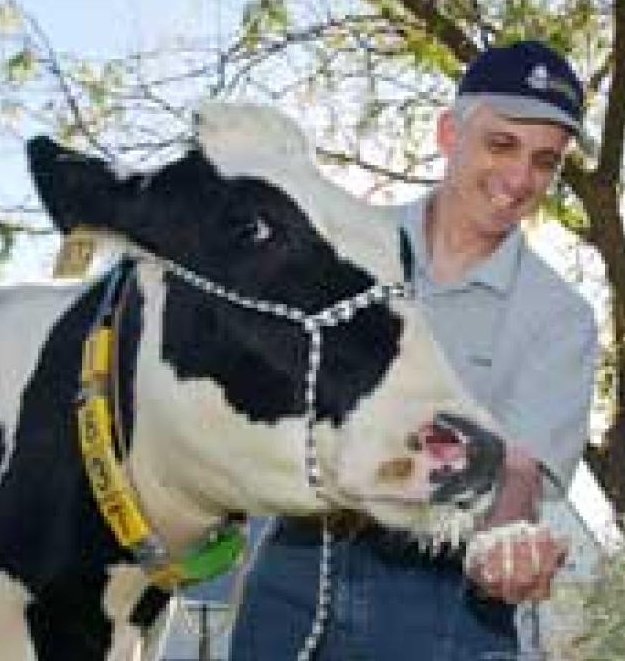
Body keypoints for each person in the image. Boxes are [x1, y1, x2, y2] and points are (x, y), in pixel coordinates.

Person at [229, 40, 598, 660]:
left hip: (445, 600)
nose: (519, 179)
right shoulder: (340, 249)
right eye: (501, 144)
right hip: (293, 565)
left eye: (544, 162)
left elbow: (519, 469)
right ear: (450, 133)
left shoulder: (560, 317)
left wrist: (506, 542)